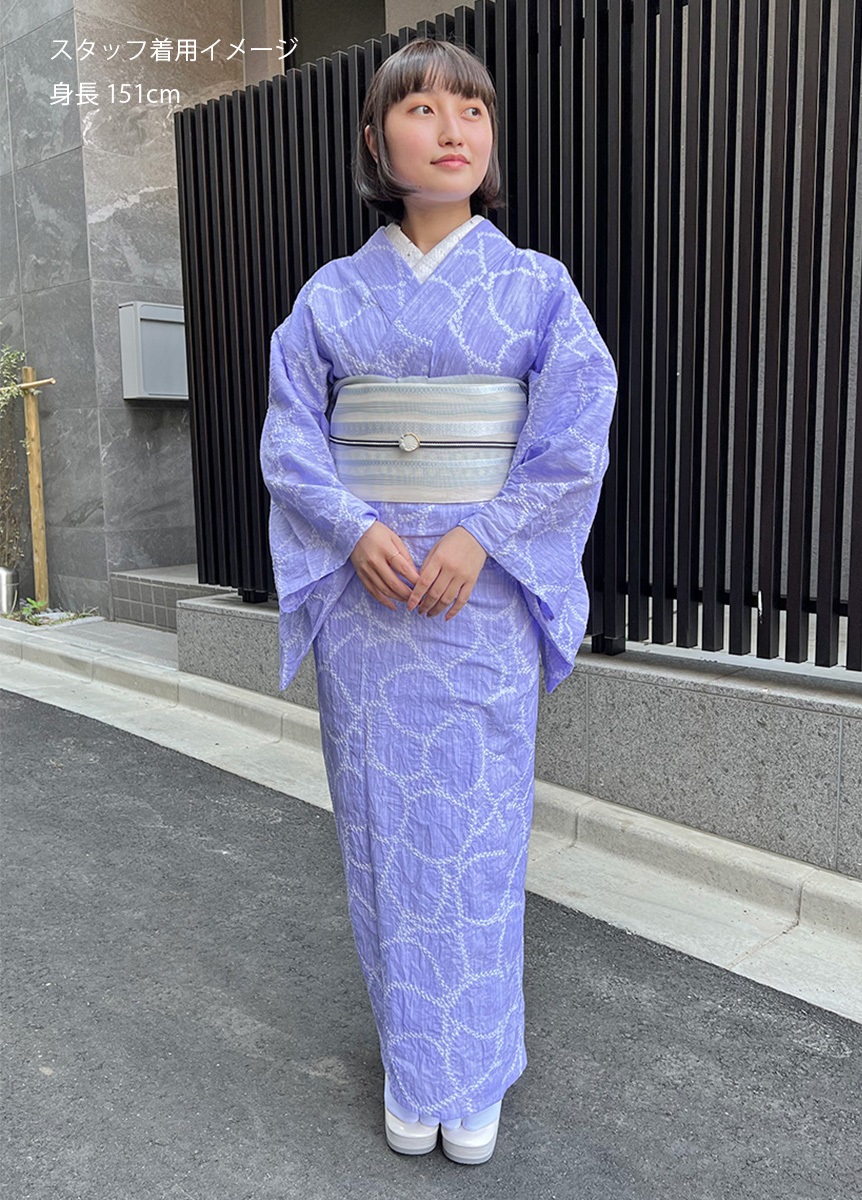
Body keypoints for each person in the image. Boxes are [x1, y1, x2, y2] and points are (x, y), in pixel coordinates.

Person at [259, 37, 618, 1166]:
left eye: (471, 107)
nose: (451, 128)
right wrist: (356, 527)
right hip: (370, 608)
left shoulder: (535, 288)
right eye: (419, 108)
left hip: (482, 606)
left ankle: (473, 1069)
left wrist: (485, 532)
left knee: (474, 830)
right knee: (378, 826)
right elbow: (288, 438)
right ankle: (415, 1064)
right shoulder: (330, 296)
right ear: (376, 142)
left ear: (491, 137)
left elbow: (571, 441)